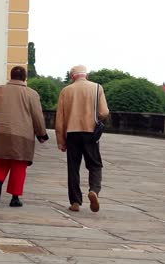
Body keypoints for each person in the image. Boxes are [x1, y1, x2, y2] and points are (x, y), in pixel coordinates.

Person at [0, 66, 49, 207]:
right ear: (24, 78)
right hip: (22, 133)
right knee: (19, 164)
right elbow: (37, 116)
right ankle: (15, 198)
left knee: (0, 161)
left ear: (11, 76)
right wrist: (41, 134)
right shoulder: (32, 94)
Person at [55, 65, 109, 213]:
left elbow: (59, 120)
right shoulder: (97, 88)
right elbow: (104, 112)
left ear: (72, 77)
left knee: (73, 168)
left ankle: (75, 202)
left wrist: (61, 140)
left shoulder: (66, 91)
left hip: (72, 133)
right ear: (87, 75)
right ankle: (94, 190)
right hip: (90, 132)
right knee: (95, 164)